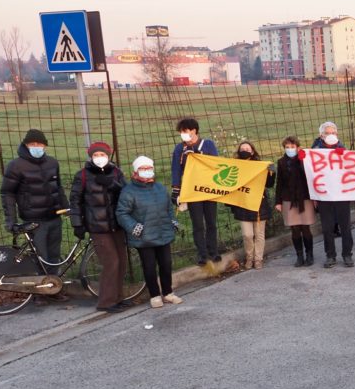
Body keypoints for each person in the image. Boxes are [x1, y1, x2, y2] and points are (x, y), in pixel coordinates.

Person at [1, 128, 68, 281]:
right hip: (34, 221)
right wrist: (10, 220)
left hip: (54, 218)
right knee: (39, 257)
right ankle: (39, 290)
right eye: (32, 144)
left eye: (39, 144)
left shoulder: (52, 163)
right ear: (25, 145)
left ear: (45, 146)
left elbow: (58, 187)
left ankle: (53, 286)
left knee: (53, 256)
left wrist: (67, 207)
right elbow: (7, 193)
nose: (36, 146)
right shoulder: (15, 166)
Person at [116, 156, 182, 309]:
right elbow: (121, 213)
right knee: (149, 266)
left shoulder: (160, 188)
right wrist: (135, 227)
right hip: (144, 237)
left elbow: (168, 208)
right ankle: (154, 295)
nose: (146, 171)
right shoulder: (128, 191)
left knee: (166, 264)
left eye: (149, 168)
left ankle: (168, 293)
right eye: (143, 169)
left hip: (163, 233)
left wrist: (172, 221)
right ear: (135, 172)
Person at [70, 141, 128, 312]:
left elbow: (126, 193)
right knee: (111, 262)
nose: (99, 158)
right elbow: (75, 201)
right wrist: (77, 224)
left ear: (108, 156)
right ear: (90, 157)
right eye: (96, 155)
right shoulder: (82, 175)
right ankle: (106, 302)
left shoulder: (116, 173)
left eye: (102, 155)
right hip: (97, 227)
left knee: (122, 262)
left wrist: (112, 184)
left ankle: (118, 298)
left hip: (116, 225)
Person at [170, 118, 220, 266]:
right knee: (197, 224)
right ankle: (202, 254)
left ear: (194, 131)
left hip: (209, 190)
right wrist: (176, 190)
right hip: (192, 191)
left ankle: (214, 251)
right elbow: (176, 169)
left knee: (211, 222)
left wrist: (198, 155)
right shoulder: (180, 149)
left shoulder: (208, 144)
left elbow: (215, 164)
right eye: (181, 132)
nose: (183, 134)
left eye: (185, 131)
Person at [311, 121, 354, 268]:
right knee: (327, 227)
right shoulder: (315, 152)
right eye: (327, 133)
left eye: (333, 133)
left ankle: (347, 254)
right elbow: (311, 175)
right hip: (324, 195)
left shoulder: (343, 149)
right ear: (321, 135)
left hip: (341, 194)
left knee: (345, 226)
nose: (331, 135)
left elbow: (353, 170)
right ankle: (330, 255)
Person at [229, 142, 274, 270]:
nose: (245, 150)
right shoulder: (234, 167)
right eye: (242, 149)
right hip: (242, 205)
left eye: (247, 149)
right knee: (247, 235)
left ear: (252, 151)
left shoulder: (260, 166)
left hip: (259, 205)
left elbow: (269, 184)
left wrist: (271, 173)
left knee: (259, 234)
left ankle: (258, 259)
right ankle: (249, 257)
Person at [274, 136, 315, 267]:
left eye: (292, 147)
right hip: (288, 199)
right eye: (287, 147)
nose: (290, 149)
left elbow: (311, 177)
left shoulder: (305, 160)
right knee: (295, 229)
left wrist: (303, 159)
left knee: (306, 227)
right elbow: (279, 182)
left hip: (305, 198)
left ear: (297, 147)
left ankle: (310, 254)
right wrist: (278, 201)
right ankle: (299, 255)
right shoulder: (281, 162)